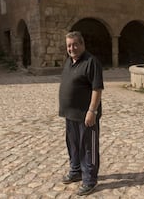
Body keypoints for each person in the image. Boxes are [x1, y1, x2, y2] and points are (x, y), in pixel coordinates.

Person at [58, 31, 104, 196]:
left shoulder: (91, 62)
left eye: (75, 44)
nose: (72, 48)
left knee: (89, 148)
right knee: (73, 145)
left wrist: (92, 111)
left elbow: (97, 89)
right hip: (70, 114)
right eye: (69, 45)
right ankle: (76, 170)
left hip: (87, 116)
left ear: (82, 44)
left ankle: (90, 180)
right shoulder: (69, 61)